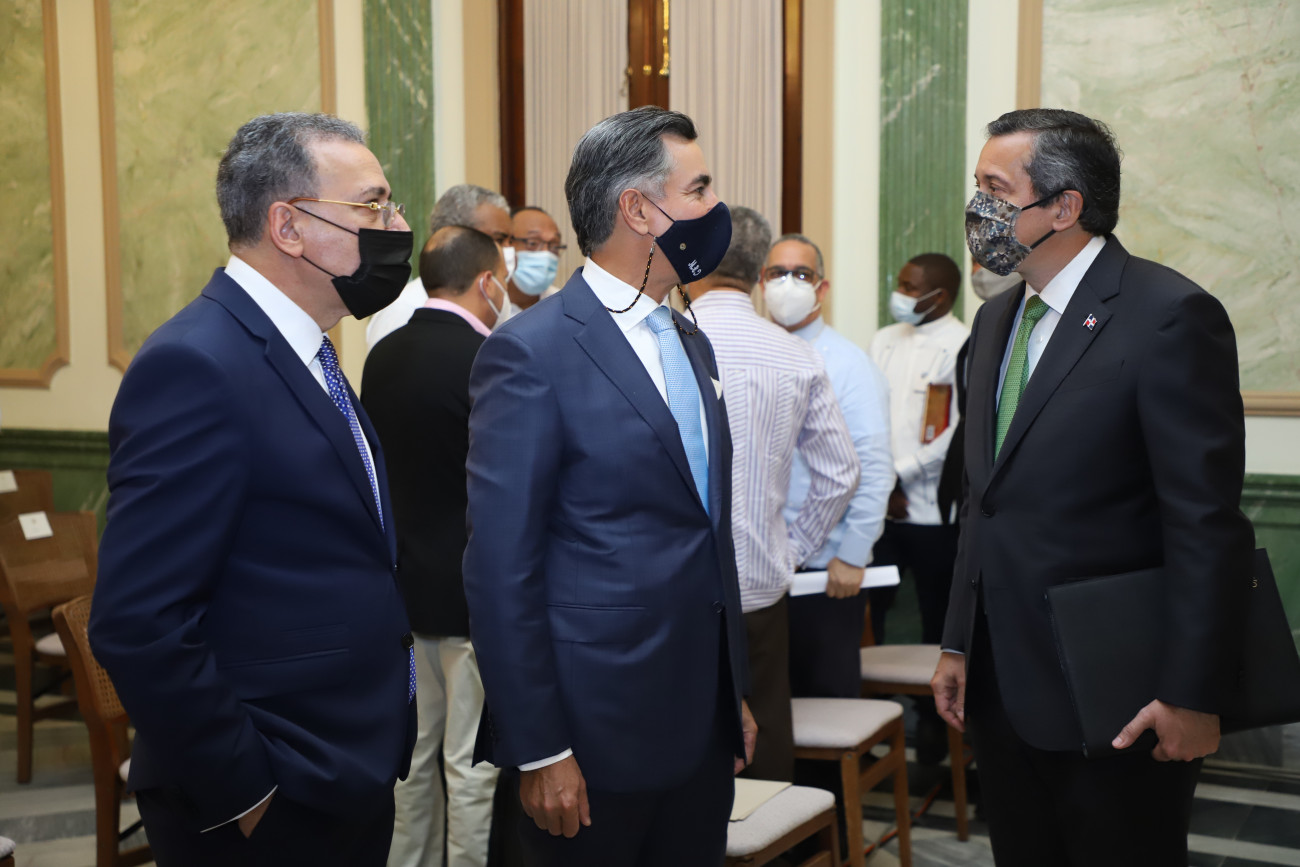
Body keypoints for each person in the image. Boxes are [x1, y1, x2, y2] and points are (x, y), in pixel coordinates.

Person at [88, 112, 418, 866]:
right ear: (288, 226)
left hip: (344, 769)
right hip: (271, 794)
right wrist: (248, 794)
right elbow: (139, 620)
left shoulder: (307, 354)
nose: (397, 226)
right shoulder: (197, 365)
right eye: (372, 206)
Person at [931, 108, 1254, 866]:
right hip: (1001, 687)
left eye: (995, 189)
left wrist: (1192, 693)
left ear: (1064, 206)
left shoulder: (1168, 315)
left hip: (1119, 692)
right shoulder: (996, 320)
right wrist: (956, 640)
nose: (977, 207)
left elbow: (1204, 523)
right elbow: (986, 501)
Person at [462, 106, 755, 867]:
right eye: (698, 189)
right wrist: (539, 745)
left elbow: (703, 529)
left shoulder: (689, 337)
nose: (715, 206)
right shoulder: (531, 352)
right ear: (639, 209)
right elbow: (500, 567)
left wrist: (730, 696)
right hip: (590, 738)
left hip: (698, 728)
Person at [691, 209, 858, 782]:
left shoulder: (660, 342)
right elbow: (841, 472)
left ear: (694, 258)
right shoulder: (797, 354)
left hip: (674, 592)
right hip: (761, 586)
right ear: (759, 270)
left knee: (682, 752)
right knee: (762, 753)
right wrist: (791, 549)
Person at [361, 227, 510, 867]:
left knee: (412, 762)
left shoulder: (382, 355)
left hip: (401, 591)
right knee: (470, 766)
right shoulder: (490, 358)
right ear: (487, 282)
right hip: (470, 595)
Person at [763, 233, 893, 701]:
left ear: (822, 288)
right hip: (762, 568)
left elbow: (874, 468)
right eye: (777, 273)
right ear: (760, 282)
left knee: (825, 701)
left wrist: (853, 554)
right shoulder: (753, 351)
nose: (788, 284)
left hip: (826, 572)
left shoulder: (849, 364)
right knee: (770, 707)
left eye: (801, 274)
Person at [367, 184, 514, 348]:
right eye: (499, 239)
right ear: (454, 236)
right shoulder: (403, 308)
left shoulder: (496, 298)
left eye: (511, 240)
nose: (508, 249)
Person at [506, 206, 567, 307]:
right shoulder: (487, 308)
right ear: (508, 244)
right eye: (533, 243)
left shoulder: (564, 305)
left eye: (554, 245)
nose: (546, 253)